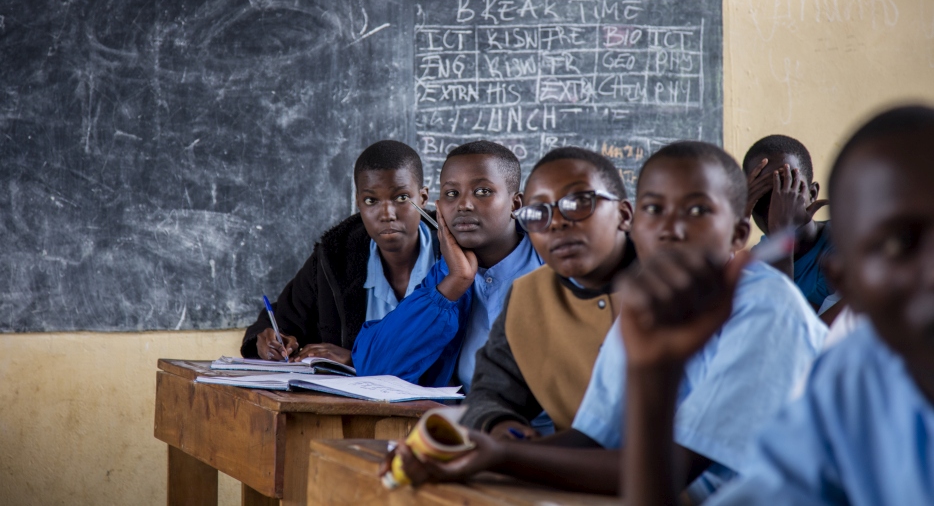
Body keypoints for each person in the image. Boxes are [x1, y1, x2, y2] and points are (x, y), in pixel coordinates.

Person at [382, 141, 826, 502]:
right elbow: (591, 441)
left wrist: (503, 457)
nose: (671, 227)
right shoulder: (645, 307)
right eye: (656, 209)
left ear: (737, 234)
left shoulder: (766, 307)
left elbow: (671, 470)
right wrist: (478, 450)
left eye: (697, 211)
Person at [622, 105, 934, 506]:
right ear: (847, 281)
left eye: (787, 190)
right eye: (898, 245)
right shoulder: (850, 384)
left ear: (812, 194)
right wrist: (653, 381)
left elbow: (794, 328)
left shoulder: (833, 246)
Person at [461, 147, 636, 439]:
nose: (556, 222)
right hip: (563, 474)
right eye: (537, 213)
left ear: (624, 214)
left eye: (579, 201)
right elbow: (489, 394)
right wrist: (502, 429)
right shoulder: (529, 296)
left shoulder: (676, 288)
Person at [351, 140, 542, 388]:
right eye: (451, 193)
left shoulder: (555, 264)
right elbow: (375, 369)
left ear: (516, 204)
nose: (463, 205)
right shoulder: (444, 278)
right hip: (465, 423)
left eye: (482, 191)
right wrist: (455, 283)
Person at [240, 140, 438, 364]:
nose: (387, 213)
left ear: (423, 197)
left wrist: (356, 359)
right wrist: (269, 339)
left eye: (402, 198)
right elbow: (281, 319)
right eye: (371, 200)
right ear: (358, 203)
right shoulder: (335, 258)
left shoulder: (455, 259)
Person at [742, 135, 840, 322]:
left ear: (812, 194)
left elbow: (788, 334)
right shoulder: (757, 260)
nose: (776, 208)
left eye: (787, 191)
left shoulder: (842, 248)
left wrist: (781, 235)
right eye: (761, 197)